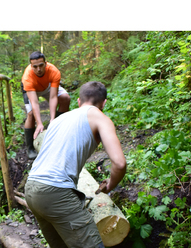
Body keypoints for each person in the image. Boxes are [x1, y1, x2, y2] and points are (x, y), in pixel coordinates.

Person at [24, 81, 126, 248]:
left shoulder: (58, 120)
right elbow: (120, 164)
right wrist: (111, 184)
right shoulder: (101, 118)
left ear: (79, 102)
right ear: (104, 103)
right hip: (55, 191)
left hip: (32, 189)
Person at [21, 51, 70, 159]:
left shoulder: (54, 71)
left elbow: (53, 97)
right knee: (30, 114)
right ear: (31, 66)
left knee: (65, 98)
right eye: (35, 67)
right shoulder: (27, 77)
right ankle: (30, 148)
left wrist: (53, 119)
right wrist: (39, 123)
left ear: (46, 64)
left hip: (46, 87)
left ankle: (57, 129)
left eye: (41, 65)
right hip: (32, 89)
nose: (38, 69)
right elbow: (35, 102)